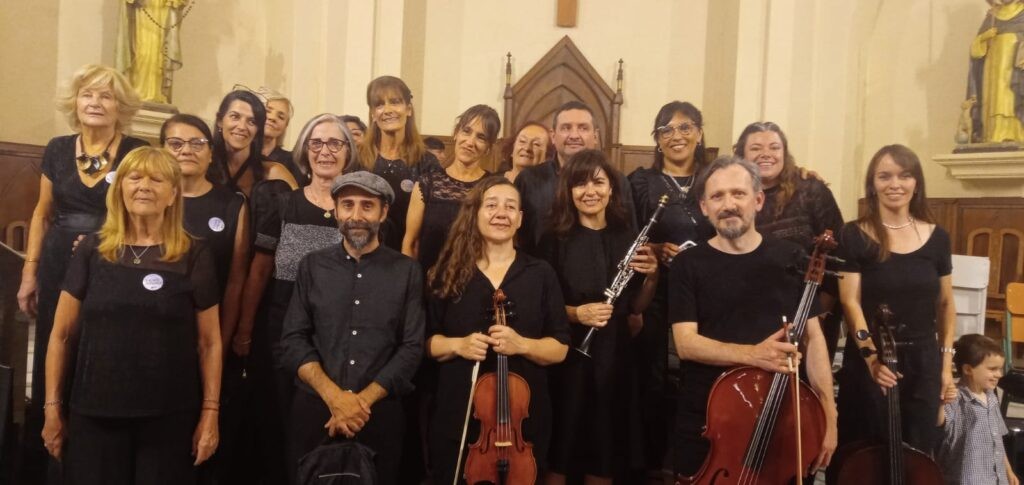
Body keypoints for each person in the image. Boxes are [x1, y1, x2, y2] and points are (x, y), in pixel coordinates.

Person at [40, 146, 222, 484]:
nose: (144, 186)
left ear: (173, 194)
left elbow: (209, 342)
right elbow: (61, 334)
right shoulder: (92, 250)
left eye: (157, 179)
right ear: (119, 187)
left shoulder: (194, 254)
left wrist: (210, 413)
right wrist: (52, 408)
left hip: (168, 415)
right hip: (94, 411)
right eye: (134, 177)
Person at [16, 63, 149, 482]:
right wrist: (29, 271)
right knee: (56, 347)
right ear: (75, 102)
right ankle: (48, 455)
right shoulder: (57, 148)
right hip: (57, 261)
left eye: (106, 95)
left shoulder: (135, 149)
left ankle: (94, 456)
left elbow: (143, 211)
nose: (96, 102)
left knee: (101, 348)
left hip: (113, 262)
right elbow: (42, 212)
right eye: (88, 94)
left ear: (120, 107)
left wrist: (101, 242)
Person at [669, 156, 836, 478]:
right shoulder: (687, 264)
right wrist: (753, 355)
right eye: (717, 196)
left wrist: (829, 413)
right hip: (707, 419)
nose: (728, 204)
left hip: (779, 417)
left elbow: (813, 339)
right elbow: (686, 344)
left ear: (758, 200)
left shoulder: (792, 258)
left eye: (738, 193)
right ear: (704, 207)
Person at [233, 113, 359, 483]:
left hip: (337, 336)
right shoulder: (284, 205)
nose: (325, 151)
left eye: (335, 143)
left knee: (322, 428)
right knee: (278, 425)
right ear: (305, 150)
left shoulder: (359, 210)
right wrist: (243, 330)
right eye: (316, 143)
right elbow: (258, 272)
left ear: (348, 152)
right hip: (280, 330)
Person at [280, 171, 425, 485]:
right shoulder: (311, 266)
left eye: (367, 206)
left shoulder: (407, 272)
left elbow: (412, 347)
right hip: (317, 413)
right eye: (347, 205)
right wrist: (336, 399)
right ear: (336, 210)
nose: (356, 215)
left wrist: (360, 404)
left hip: (378, 416)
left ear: (384, 212)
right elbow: (293, 340)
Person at [426, 177, 570, 484]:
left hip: (523, 423)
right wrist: (457, 345)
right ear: (475, 214)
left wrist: (522, 345)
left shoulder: (540, 273)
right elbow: (427, 343)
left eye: (510, 207)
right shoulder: (448, 271)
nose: (500, 213)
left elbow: (560, 347)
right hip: (459, 414)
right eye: (491, 205)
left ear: (520, 219)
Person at [540, 150, 658, 484]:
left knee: (605, 446)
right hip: (568, 355)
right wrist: (577, 313)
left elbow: (636, 307)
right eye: (580, 183)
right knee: (562, 444)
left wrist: (652, 277)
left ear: (611, 188)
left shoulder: (628, 237)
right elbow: (540, 307)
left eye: (598, 182)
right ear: (569, 191)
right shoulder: (552, 239)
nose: (589, 191)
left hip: (615, 355)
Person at [836, 144, 955, 456]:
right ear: (872, 185)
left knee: (918, 452)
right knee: (863, 452)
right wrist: (872, 359)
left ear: (916, 183)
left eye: (904, 176)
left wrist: (945, 366)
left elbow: (945, 304)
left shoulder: (938, 237)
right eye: (884, 176)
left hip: (923, 362)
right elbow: (851, 303)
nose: (895, 184)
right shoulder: (854, 234)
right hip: (871, 361)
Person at [159, 114, 250, 484]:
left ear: (211, 153)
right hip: (157, 338)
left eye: (196, 143)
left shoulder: (232, 204)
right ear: (162, 150)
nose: (186, 151)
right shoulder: (147, 199)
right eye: (176, 143)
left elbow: (236, 280)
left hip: (208, 338)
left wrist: (223, 341)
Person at [626, 101, 714, 477]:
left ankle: (698, 467)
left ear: (698, 133)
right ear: (657, 140)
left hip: (708, 297)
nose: (676, 136)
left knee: (701, 384)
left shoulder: (717, 178)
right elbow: (627, 238)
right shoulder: (640, 182)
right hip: (656, 295)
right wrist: (655, 251)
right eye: (666, 130)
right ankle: (649, 469)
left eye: (684, 127)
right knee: (652, 384)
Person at [734, 121, 845, 361]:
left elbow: (839, 254)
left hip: (812, 310)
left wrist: (819, 312)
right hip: (754, 311)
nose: (766, 154)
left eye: (774, 147)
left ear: (785, 153)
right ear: (741, 155)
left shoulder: (811, 190)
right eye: (755, 148)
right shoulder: (735, 194)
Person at [515, 100, 634, 255]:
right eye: (566, 128)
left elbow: (628, 234)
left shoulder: (617, 181)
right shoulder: (528, 179)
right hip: (537, 273)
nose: (574, 135)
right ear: (553, 136)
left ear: (596, 136)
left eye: (583, 128)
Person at [404, 104, 499, 271]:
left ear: (488, 148)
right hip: (427, 285)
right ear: (456, 133)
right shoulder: (427, 183)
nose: (470, 142)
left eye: (481, 137)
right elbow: (411, 243)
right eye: (466, 131)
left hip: (475, 286)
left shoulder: (494, 187)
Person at [358, 76, 439, 250]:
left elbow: (430, 225)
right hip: (362, 255)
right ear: (373, 114)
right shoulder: (358, 158)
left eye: (395, 102)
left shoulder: (427, 163)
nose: (387, 110)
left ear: (408, 109)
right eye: (379, 104)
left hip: (407, 257)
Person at [935, 334, 1019, 485]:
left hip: (995, 479)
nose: (999, 375)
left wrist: (1008, 471)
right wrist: (941, 401)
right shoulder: (956, 397)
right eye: (993, 369)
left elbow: (997, 439)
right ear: (968, 369)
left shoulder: (991, 398)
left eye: (1000, 369)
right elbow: (940, 422)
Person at [209, 89, 297, 196]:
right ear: (220, 121)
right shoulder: (204, 165)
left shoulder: (273, 172)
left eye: (252, 121)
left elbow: (298, 209)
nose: (242, 127)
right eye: (235, 117)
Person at [966, 0, 1024, 143]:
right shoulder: (992, 16)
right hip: (993, 66)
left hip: (1016, 66)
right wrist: (984, 38)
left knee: (1011, 96)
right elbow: (975, 52)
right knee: (996, 95)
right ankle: (994, 131)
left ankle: (1016, 131)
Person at [116, 0, 187, 103]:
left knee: (160, 54)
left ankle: (158, 94)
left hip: (163, 9)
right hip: (143, 9)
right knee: (142, 53)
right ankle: (136, 92)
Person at [257, 87, 304, 183]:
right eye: (267, 111)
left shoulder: (293, 162)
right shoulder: (238, 155)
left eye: (281, 117)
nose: (273, 118)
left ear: (285, 126)